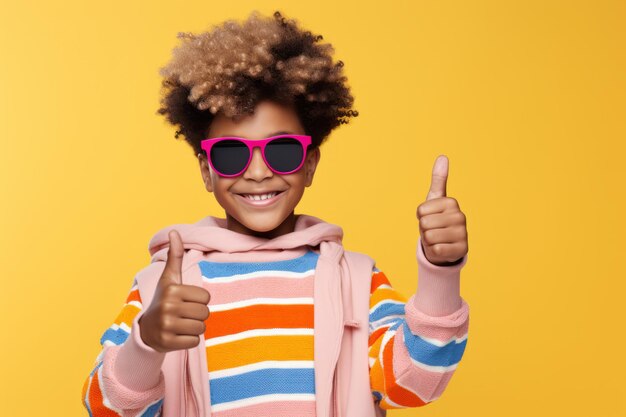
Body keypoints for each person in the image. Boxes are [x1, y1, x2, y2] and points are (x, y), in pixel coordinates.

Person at [81, 10, 470, 417]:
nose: (258, 171)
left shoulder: (355, 281)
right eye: (231, 154)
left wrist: (441, 272)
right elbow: (105, 408)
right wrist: (147, 345)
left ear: (310, 163)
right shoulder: (162, 288)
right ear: (206, 172)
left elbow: (412, 384)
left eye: (281, 151)